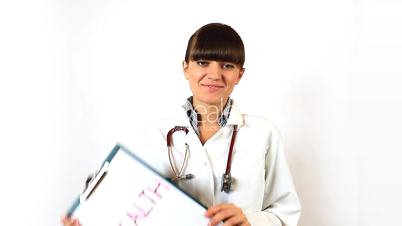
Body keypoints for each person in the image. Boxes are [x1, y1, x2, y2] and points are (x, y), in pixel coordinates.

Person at [62, 22, 301, 226]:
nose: (215, 74)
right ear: (186, 68)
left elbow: (286, 210)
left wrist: (251, 221)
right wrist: (90, 218)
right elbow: (128, 206)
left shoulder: (263, 133)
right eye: (203, 63)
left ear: (240, 74)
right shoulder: (155, 135)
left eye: (227, 66)